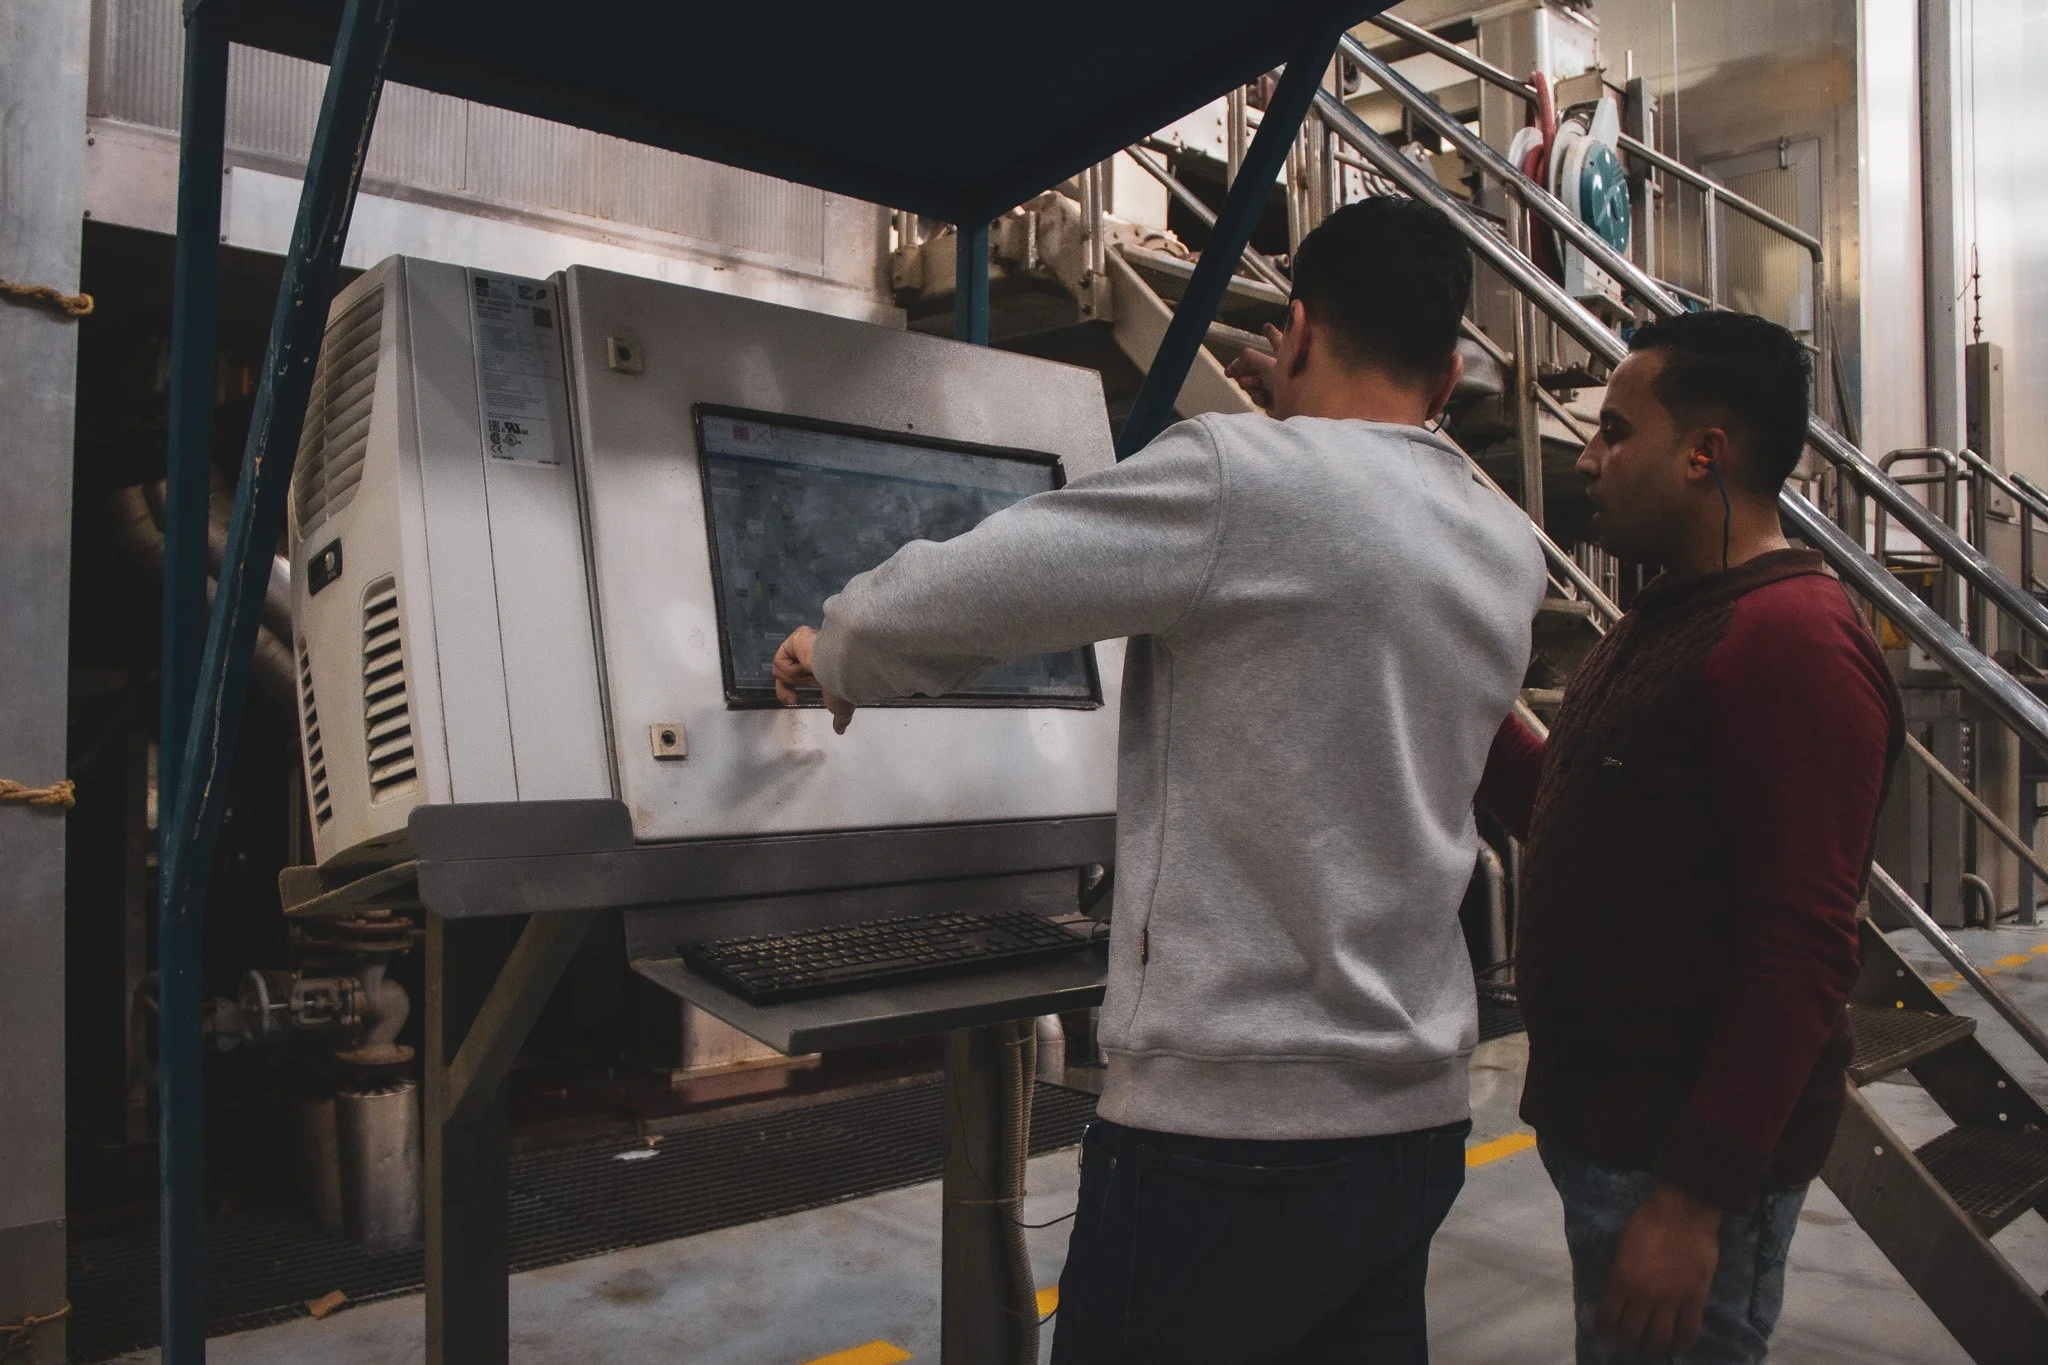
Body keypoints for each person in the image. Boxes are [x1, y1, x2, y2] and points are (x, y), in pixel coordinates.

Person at [772, 197, 1545, 1363]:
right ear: (1445, 379)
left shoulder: (1242, 477)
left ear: (1292, 329)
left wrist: (832, 644)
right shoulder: (1500, 543)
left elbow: (960, 598)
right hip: (1413, 1113)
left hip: (1229, 1124)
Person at [1478, 311, 1904, 1364]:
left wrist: (1688, 1205)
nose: (1586, 455)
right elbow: (1573, 816)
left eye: (1615, 432)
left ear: (1702, 453)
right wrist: (1453, 694)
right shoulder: (1671, 614)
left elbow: (1800, 952)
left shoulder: (1788, 641)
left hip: (1669, 1163)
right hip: (1613, 1135)